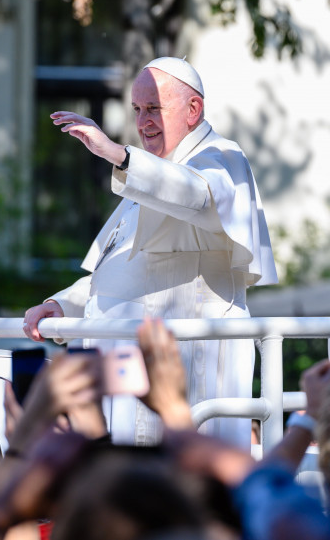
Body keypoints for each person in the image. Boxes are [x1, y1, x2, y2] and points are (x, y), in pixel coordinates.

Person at [22, 57, 278, 446]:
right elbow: (124, 269)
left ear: (194, 110)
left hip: (188, 378)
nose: (143, 122)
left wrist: (120, 156)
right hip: (125, 375)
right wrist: (62, 305)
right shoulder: (150, 172)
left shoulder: (221, 158)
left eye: (154, 108)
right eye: (137, 110)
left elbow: (197, 195)